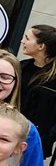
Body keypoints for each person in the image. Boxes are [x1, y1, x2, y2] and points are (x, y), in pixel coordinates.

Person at [20, 24, 56, 156]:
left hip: (36, 139)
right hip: (11, 129)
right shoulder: (22, 66)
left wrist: (49, 137)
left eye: (27, 38)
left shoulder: (53, 77)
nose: (22, 41)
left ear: (41, 46)